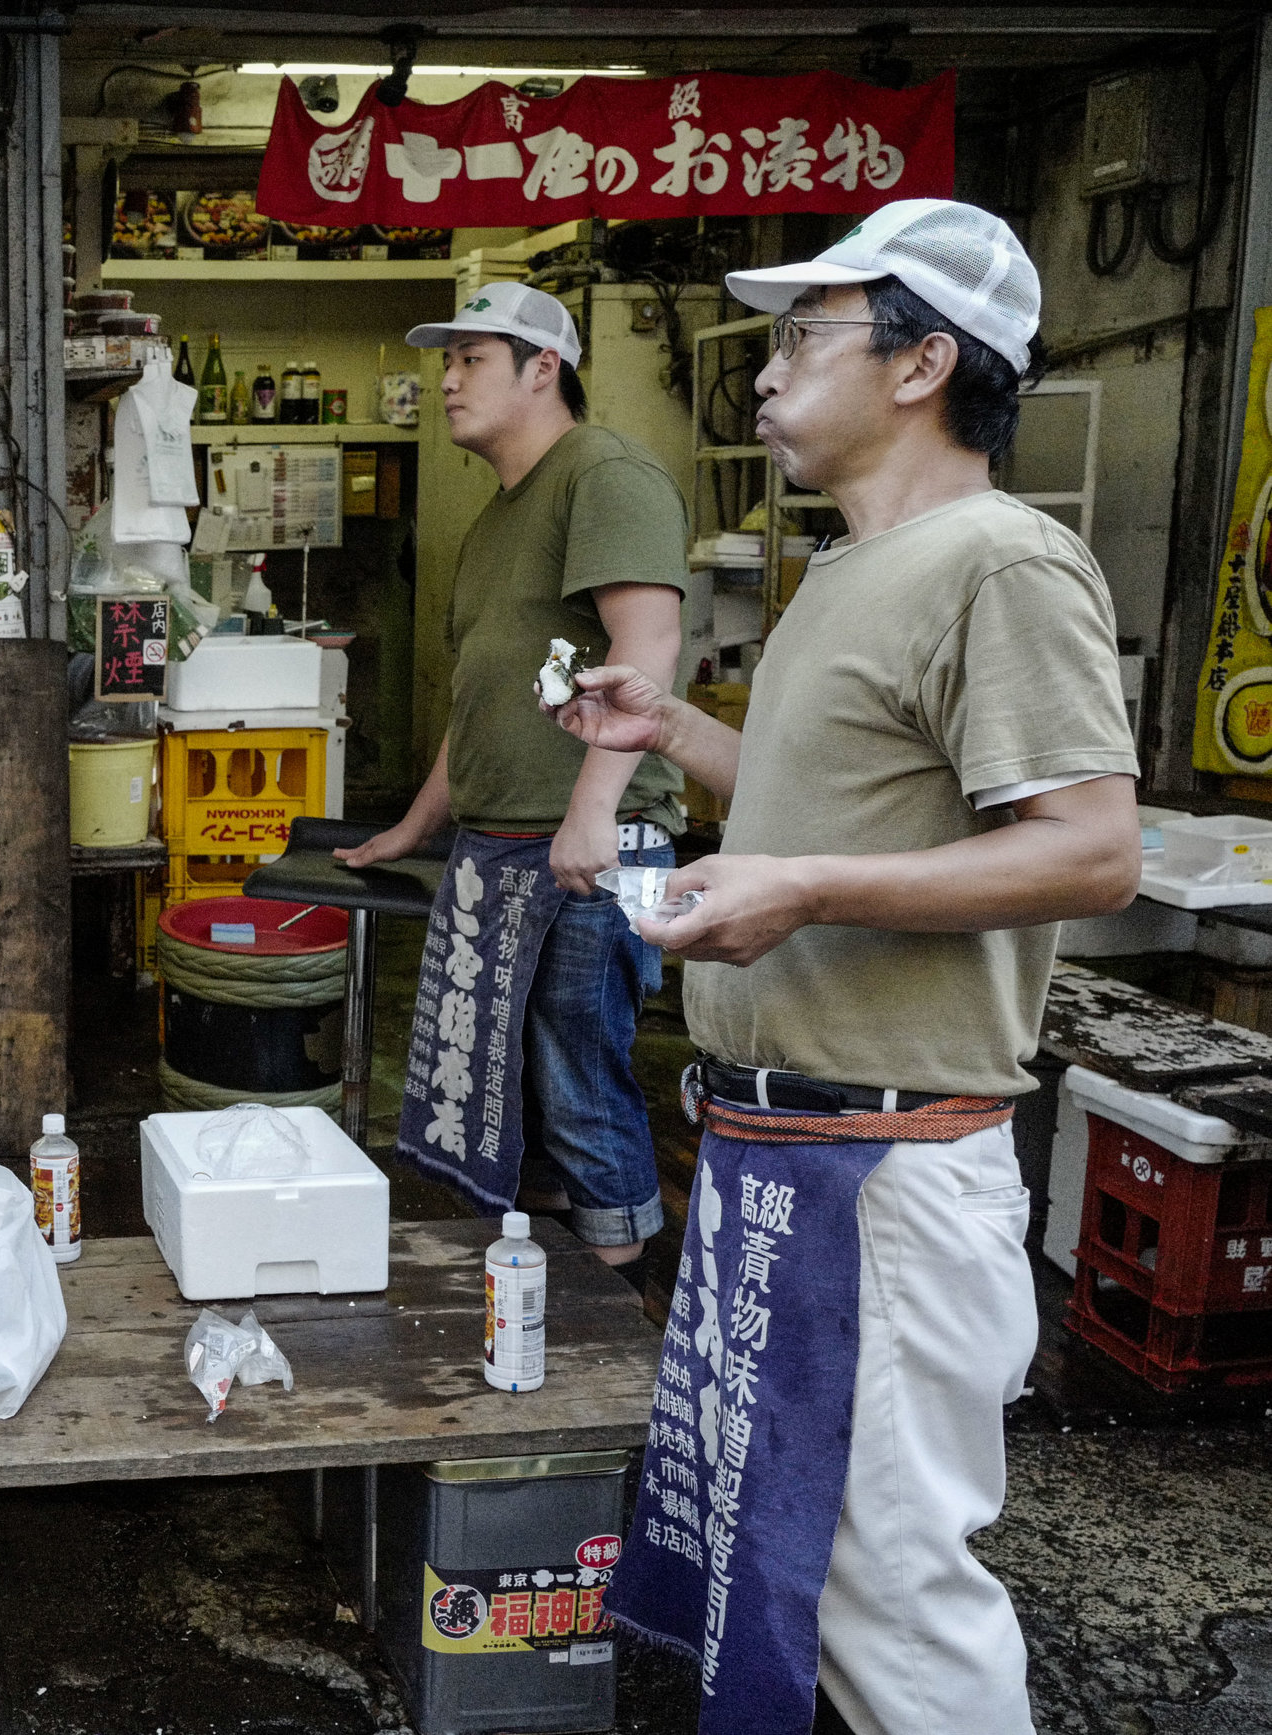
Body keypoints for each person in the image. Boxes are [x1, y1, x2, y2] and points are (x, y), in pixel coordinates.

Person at [554, 201, 1141, 1735]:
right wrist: (674, 734)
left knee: (889, 1594)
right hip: (786, 1146)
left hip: (883, 1168)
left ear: (922, 362)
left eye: (805, 333)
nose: (763, 370)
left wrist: (806, 885)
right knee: (800, 1575)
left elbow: (1090, 847)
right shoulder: (845, 569)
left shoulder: (1003, 561)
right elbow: (826, 807)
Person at [335, 281, 692, 1283]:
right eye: (445, 362)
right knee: (511, 1077)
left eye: (471, 360)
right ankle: (543, 1269)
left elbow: (646, 646)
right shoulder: (499, 517)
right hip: (499, 845)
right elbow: (484, 698)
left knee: (580, 1069)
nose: (446, 381)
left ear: (544, 370)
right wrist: (411, 828)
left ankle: (617, 1286)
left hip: (592, 844)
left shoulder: (604, 474)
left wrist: (589, 818)